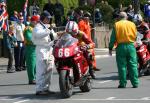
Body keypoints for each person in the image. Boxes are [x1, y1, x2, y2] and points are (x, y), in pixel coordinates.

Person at [109, 12, 139, 88]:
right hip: (131, 46)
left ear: (119, 17)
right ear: (126, 17)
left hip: (120, 47)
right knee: (133, 65)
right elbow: (136, 36)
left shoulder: (116, 24)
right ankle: (135, 83)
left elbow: (113, 38)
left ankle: (122, 83)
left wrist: (110, 48)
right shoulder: (132, 24)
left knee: (122, 66)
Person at [32, 11, 58, 95]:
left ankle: (46, 88)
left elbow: (53, 36)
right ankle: (39, 89)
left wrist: (60, 35)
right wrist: (48, 30)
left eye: (49, 19)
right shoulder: (38, 26)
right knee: (41, 70)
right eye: (47, 18)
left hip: (49, 49)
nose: (48, 20)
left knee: (49, 70)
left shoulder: (47, 27)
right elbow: (38, 35)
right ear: (43, 18)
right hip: (41, 49)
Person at [24, 15, 39, 85]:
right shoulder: (28, 28)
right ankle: (31, 79)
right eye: (37, 21)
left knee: (36, 64)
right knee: (31, 64)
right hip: (30, 48)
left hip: (36, 48)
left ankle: (35, 78)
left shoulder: (35, 28)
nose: (38, 23)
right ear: (33, 21)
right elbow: (29, 38)